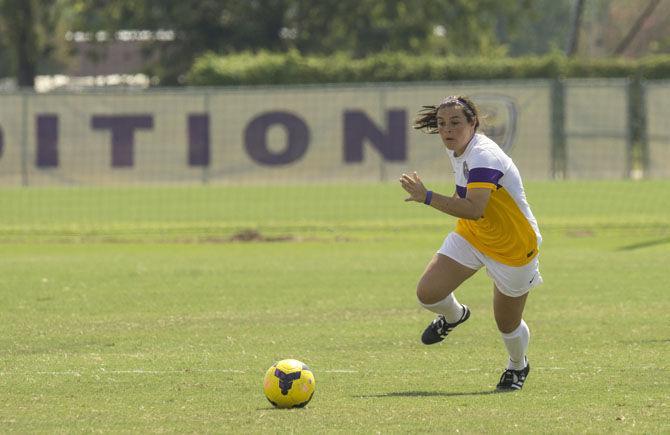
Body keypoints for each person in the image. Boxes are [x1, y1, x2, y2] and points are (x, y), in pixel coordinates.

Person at [399, 95, 542, 391]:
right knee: (428, 294)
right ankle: (454, 315)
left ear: (473, 123)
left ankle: (518, 366)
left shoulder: (483, 156)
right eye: (441, 124)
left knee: (507, 324)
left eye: (455, 123)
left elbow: (474, 208)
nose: (447, 130)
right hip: (474, 235)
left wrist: (426, 196)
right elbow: (472, 211)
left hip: (513, 247)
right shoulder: (459, 149)